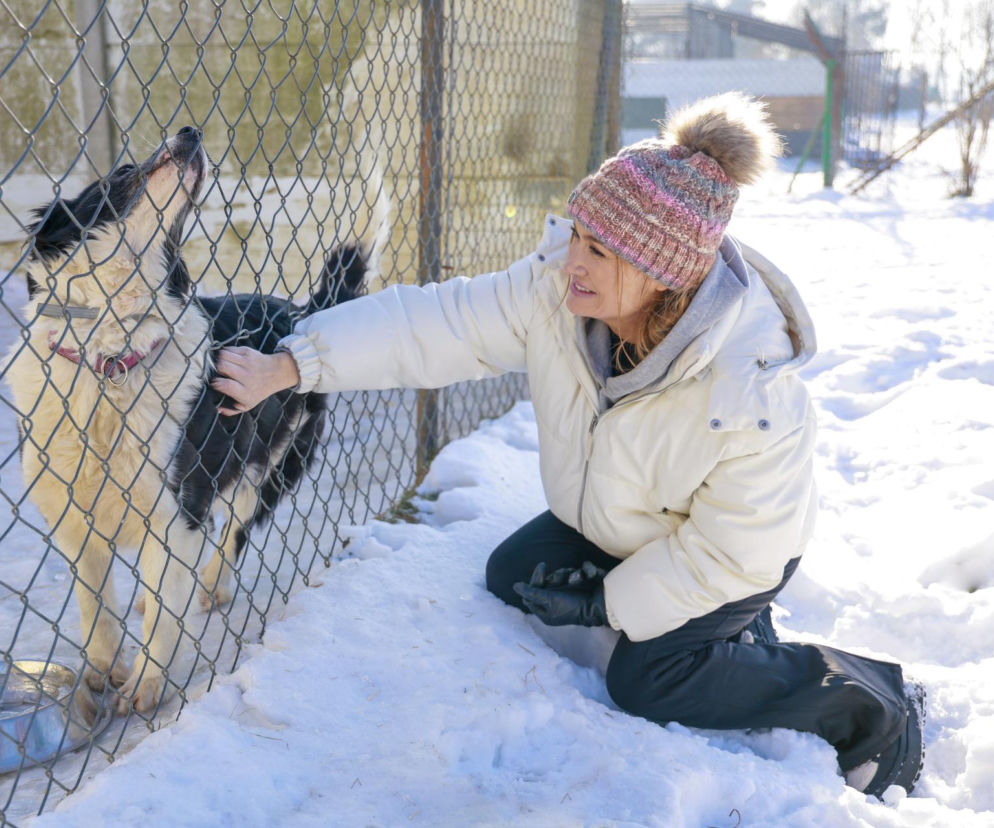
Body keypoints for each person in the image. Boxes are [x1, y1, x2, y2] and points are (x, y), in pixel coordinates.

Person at [210, 92, 925, 798]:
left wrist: (607, 606)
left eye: (600, 250)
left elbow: (732, 553)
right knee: (515, 572)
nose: (571, 261)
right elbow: (437, 324)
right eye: (577, 234)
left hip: (736, 552)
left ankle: (871, 705)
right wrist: (296, 364)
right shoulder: (560, 295)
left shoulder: (750, 389)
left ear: (663, 272)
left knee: (649, 679)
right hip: (629, 521)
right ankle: (728, 640)